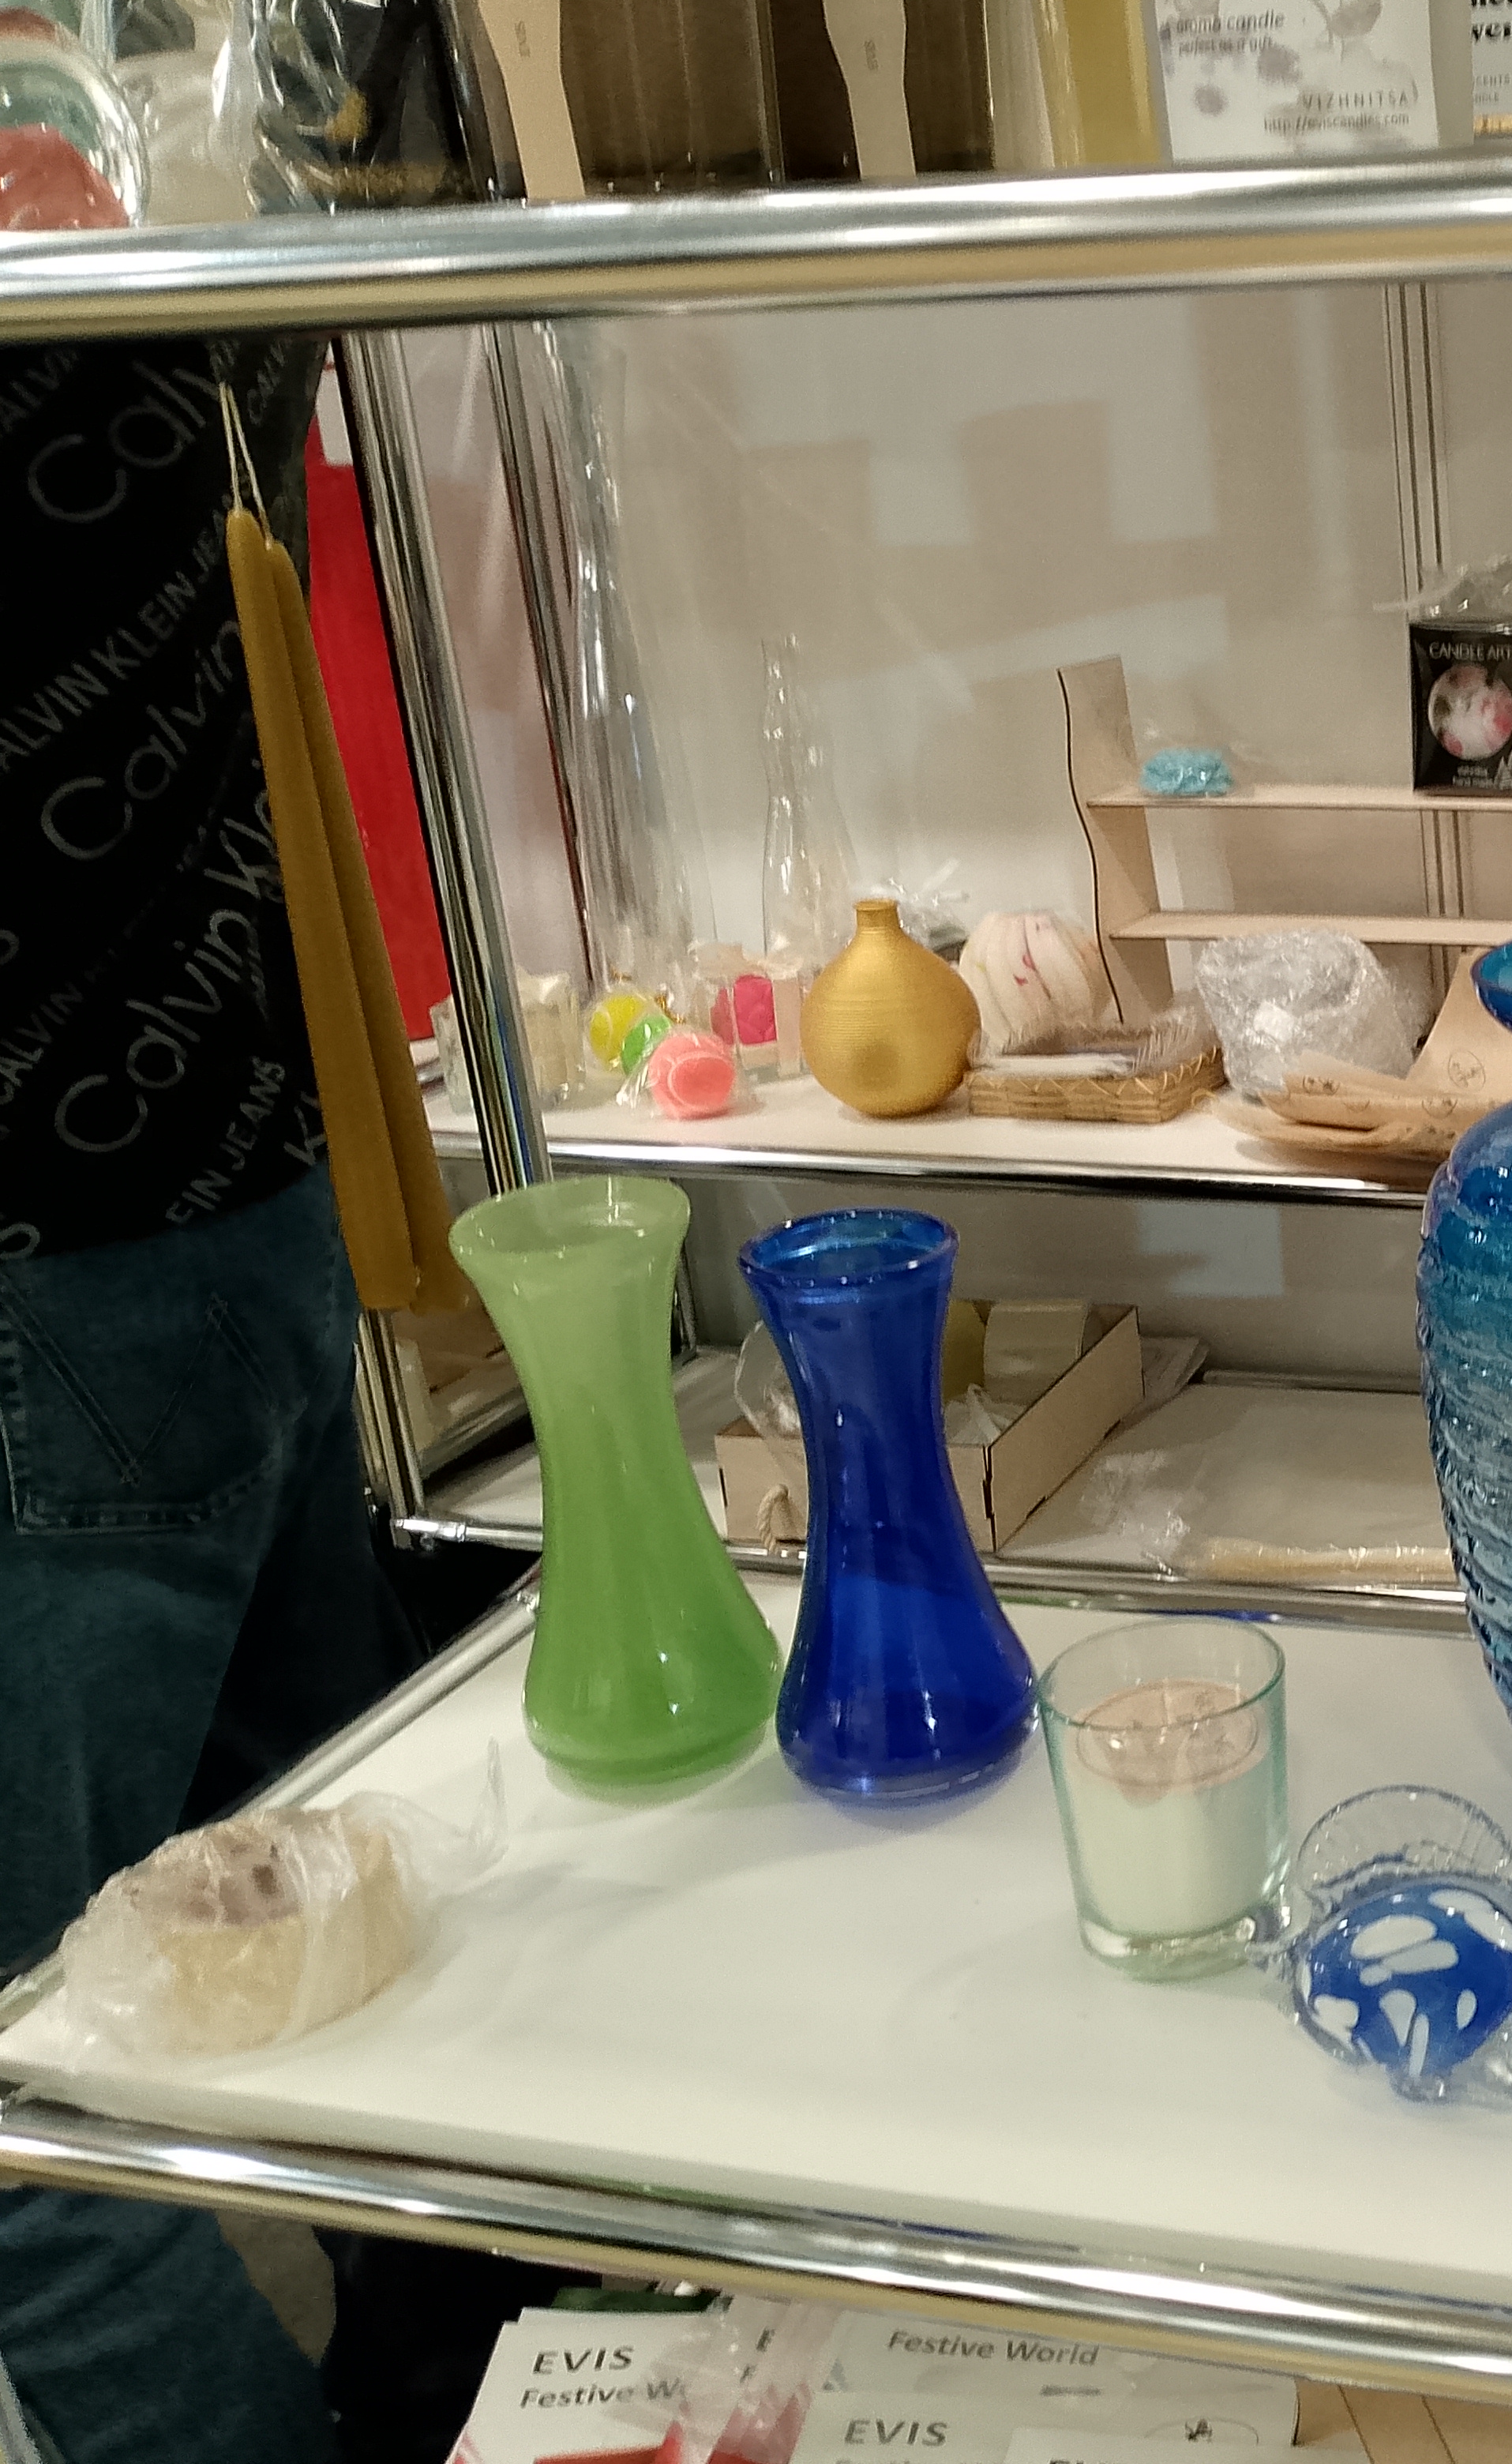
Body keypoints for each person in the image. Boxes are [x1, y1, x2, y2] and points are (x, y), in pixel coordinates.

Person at [0, 336, 427, 2464]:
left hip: (54, 1283)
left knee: (33, 2127)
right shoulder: (146, 199)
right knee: (335, 1945)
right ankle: (481, 2401)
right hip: (243, 1188)